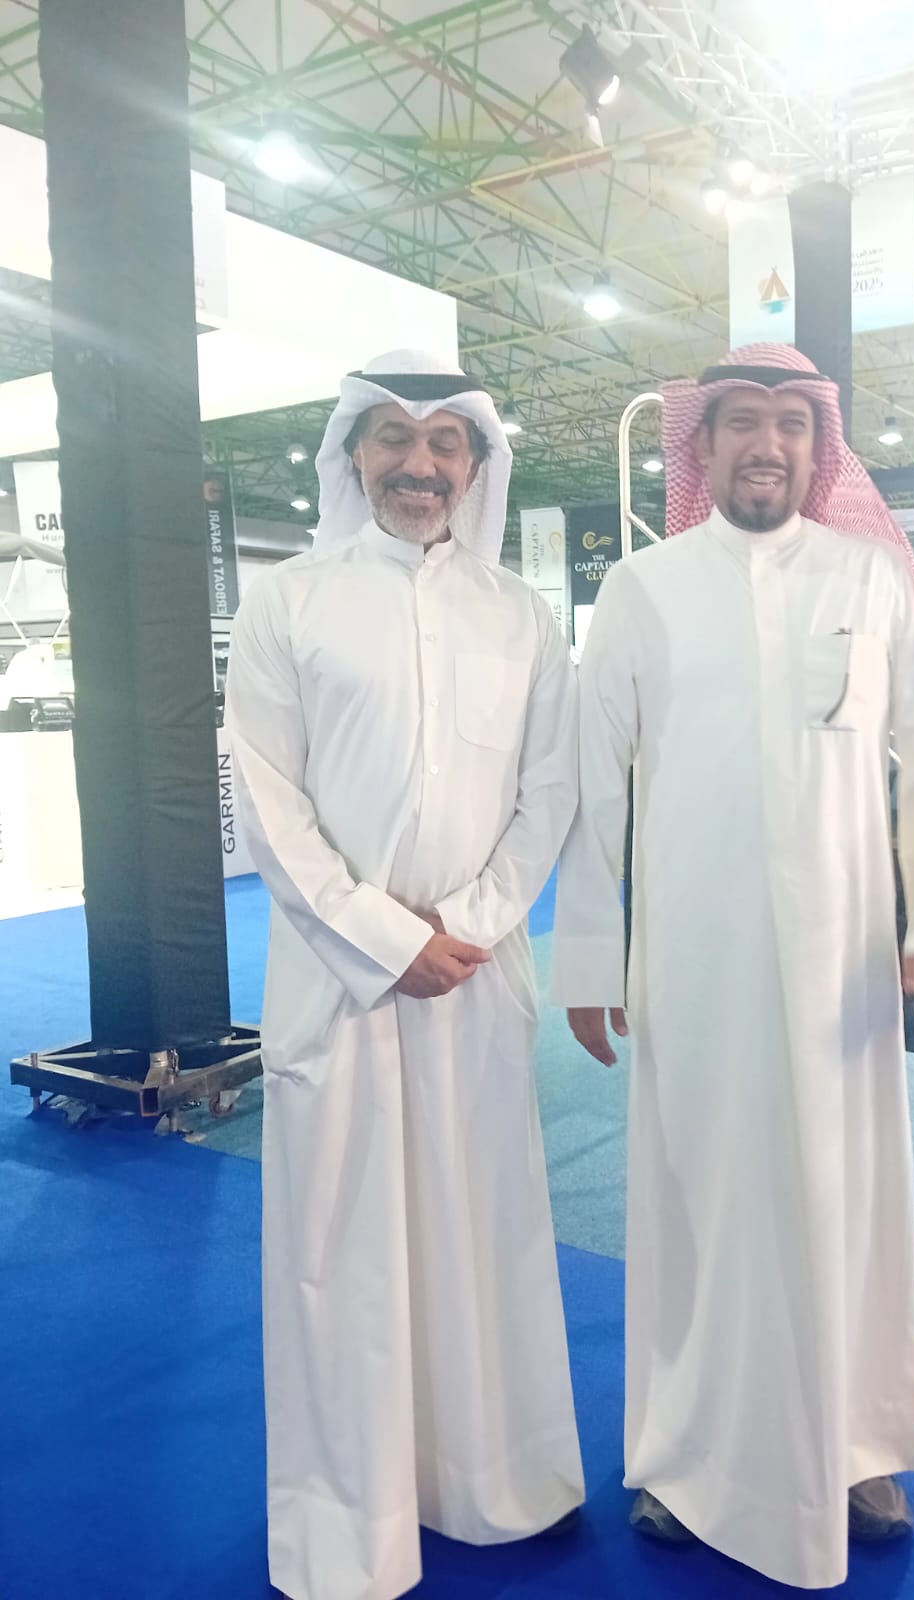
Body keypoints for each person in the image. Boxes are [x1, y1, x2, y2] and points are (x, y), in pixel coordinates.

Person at [551, 341, 914, 1590]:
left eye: (792, 424)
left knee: (847, 1206)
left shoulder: (871, 578)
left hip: (843, 968)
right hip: (695, 962)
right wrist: (590, 956)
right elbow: (592, 785)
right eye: (743, 421)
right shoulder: (641, 587)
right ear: (702, 443)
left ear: (817, 446)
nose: (767, 445)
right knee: (702, 1204)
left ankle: (854, 1446)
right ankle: (686, 1456)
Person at [225, 350, 584, 1600]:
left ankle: (491, 1485)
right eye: (392, 437)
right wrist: (388, 938)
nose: (419, 464)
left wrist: (465, 927)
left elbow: (551, 793)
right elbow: (268, 806)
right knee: (340, 1257)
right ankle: (349, 1529)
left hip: (477, 979)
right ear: (352, 454)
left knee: (482, 1235)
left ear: (476, 466)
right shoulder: (288, 602)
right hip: (338, 986)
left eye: (444, 442)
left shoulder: (522, 617)